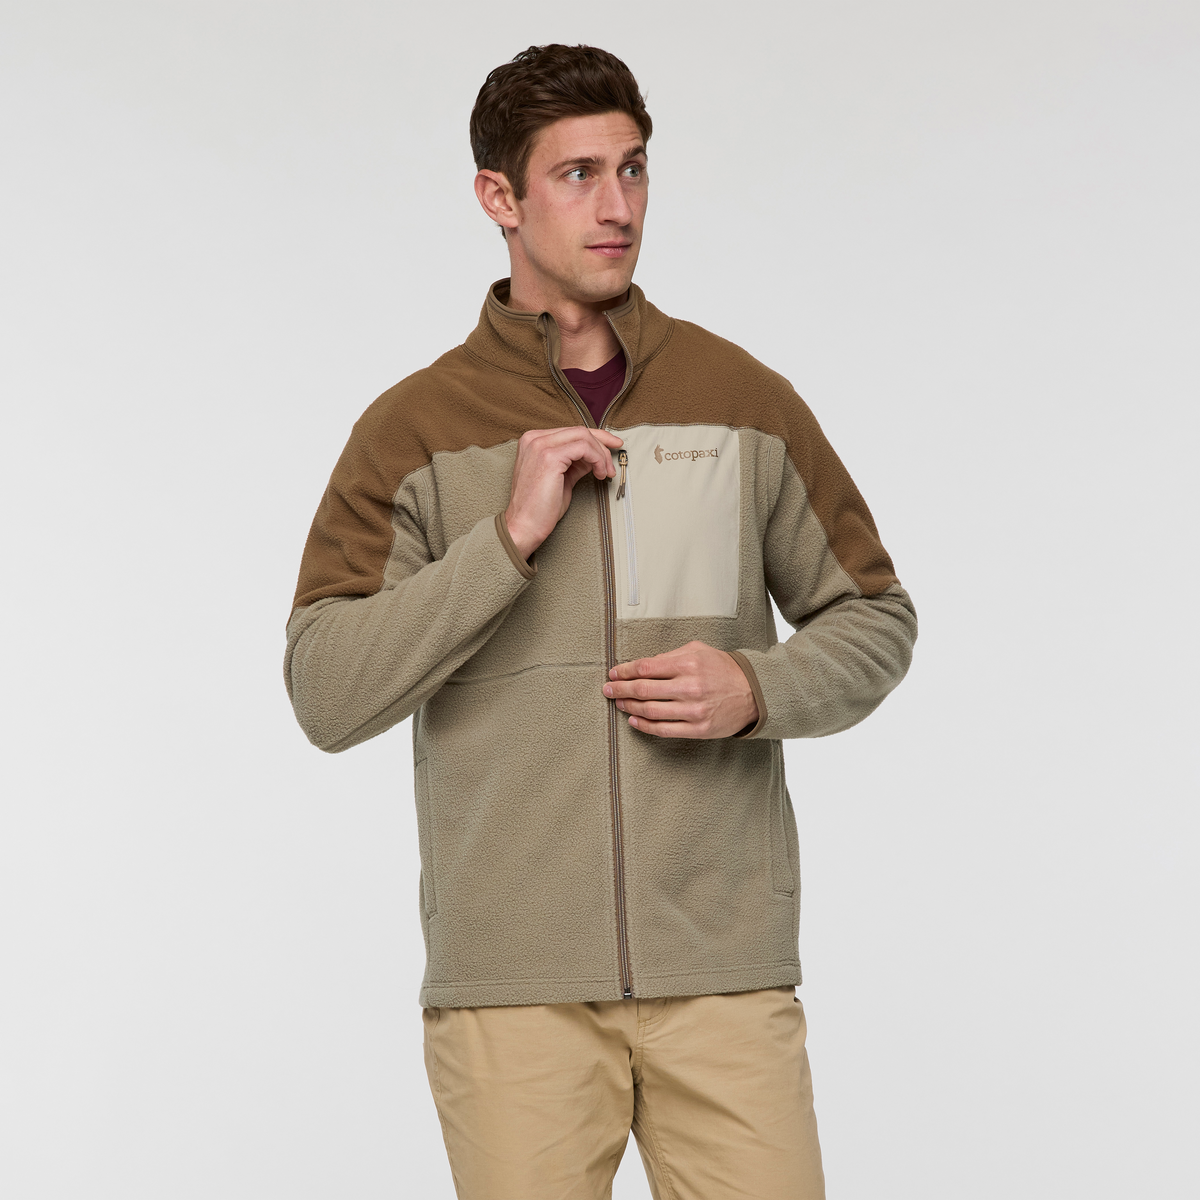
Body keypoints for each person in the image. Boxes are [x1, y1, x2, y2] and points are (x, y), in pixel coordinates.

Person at [285, 43, 917, 1200]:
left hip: (723, 979)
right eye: (577, 174)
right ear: (500, 197)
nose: (618, 205)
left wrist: (758, 688)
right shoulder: (413, 431)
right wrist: (504, 542)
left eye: (632, 169)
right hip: (513, 996)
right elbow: (326, 690)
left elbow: (872, 616)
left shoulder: (741, 400)